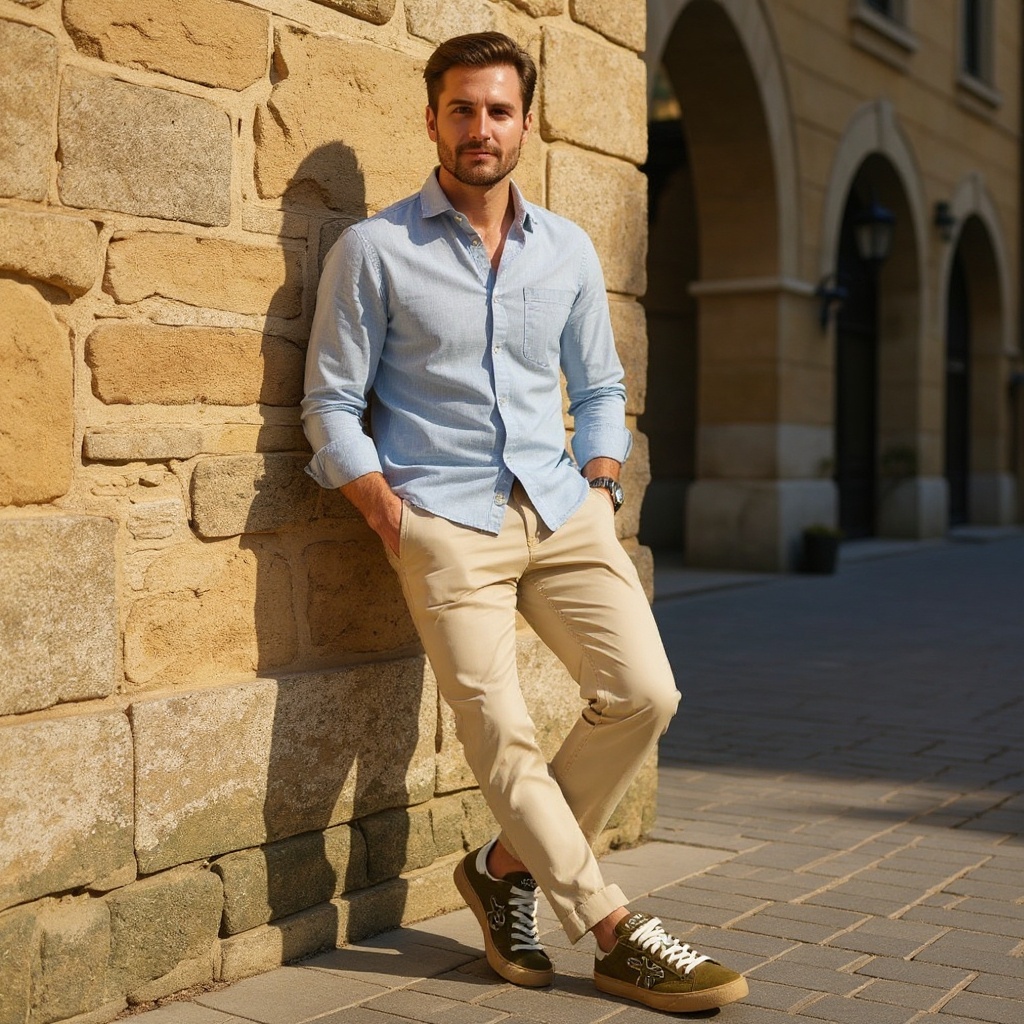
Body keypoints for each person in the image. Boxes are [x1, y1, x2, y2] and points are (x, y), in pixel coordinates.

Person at [301, 31, 747, 1014]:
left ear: (525, 123)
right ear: (431, 119)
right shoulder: (375, 250)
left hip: (561, 507)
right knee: (498, 732)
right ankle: (616, 930)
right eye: (460, 109)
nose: (479, 128)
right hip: (442, 521)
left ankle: (504, 866)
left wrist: (599, 482)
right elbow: (330, 404)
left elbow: (599, 385)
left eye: (498, 110)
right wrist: (389, 512)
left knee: (644, 695)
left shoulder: (568, 250)